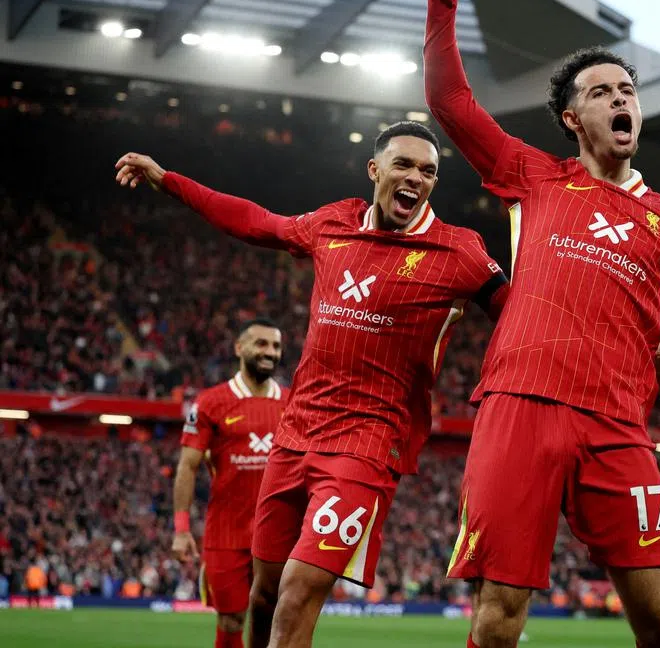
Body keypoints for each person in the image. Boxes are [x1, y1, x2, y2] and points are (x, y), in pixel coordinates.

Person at [426, 0, 660, 648]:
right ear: (570, 119)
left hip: (619, 426)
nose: (622, 98)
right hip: (520, 408)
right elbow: (449, 103)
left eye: (628, 89)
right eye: (601, 92)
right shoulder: (535, 178)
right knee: (498, 621)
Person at [115, 121, 509, 648]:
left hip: (367, 444)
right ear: (375, 170)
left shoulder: (457, 251)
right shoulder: (332, 224)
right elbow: (254, 221)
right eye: (404, 165)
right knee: (265, 593)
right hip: (295, 435)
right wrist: (169, 180)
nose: (416, 177)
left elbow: (522, 312)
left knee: (300, 589)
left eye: (429, 171)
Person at [173, 318, 288, 648]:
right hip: (226, 533)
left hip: (278, 535)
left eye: (276, 346)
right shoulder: (211, 402)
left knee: (271, 620)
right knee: (231, 618)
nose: (270, 352)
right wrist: (181, 530)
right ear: (240, 348)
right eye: (262, 344)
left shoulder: (292, 402)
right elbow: (187, 466)